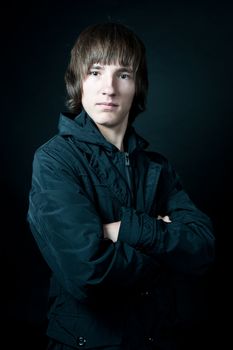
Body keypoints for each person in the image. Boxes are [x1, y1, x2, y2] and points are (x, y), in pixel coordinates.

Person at [27, 21, 215, 350]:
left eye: (123, 74)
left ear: (137, 85)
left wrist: (121, 229)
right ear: (78, 81)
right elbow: (88, 276)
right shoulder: (55, 161)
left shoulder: (157, 167)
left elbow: (202, 250)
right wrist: (165, 245)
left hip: (157, 340)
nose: (109, 88)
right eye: (96, 72)